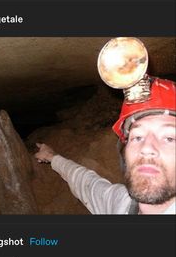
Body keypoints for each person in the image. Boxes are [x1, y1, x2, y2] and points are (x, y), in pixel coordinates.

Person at [35, 77, 176, 214]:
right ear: (124, 155)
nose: (146, 148)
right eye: (137, 137)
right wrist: (51, 157)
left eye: (169, 138)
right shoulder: (122, 204)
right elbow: (85, 182)